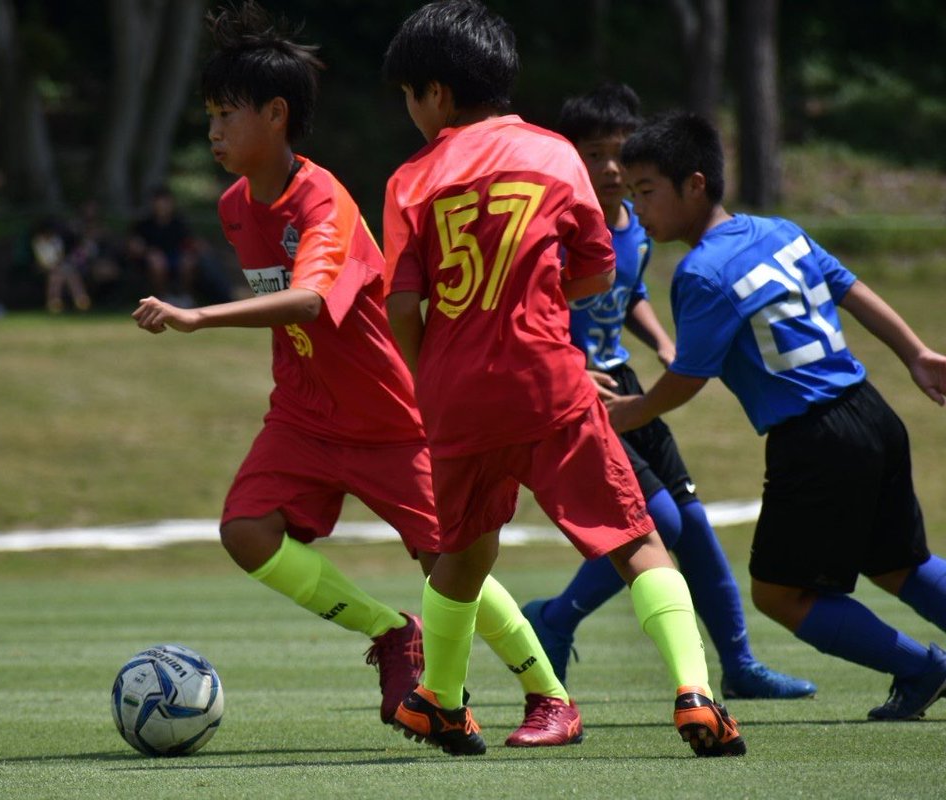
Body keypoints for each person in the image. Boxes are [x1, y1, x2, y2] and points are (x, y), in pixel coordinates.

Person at [132, 0, 581, 750]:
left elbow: (308, 300)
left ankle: (549, 696)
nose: (211, 131)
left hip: (390, 417)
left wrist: (194, 317)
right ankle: (390, 632)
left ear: (276, 115)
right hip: (304, 417)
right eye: (207, 114)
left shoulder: (324, 200)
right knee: (245, 532)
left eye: (225, 114)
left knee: (449, 561)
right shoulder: (236, 204)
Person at [380, 0, 744, 757]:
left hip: (457, 392)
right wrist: (534, 295)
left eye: (410, 96)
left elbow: (405, 304)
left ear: (436, 94)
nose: (411, 112)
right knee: (635, 539)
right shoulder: (553, 155)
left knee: (465, 551)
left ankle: (440, 701)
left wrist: (431, 371)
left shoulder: (411, 179)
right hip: (546, 379)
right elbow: (595, 272)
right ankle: (695, 694)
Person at [608, 109, 946, 722]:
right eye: (632, 194)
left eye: (647, 192)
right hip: (872, 414)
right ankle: (924, 669)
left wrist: (631, 412)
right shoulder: (780, 230)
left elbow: (688, 376)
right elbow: (852, 288)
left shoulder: (701, 273)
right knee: (903, 566)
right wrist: (916, 353)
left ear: (695, 184)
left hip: (814, 440)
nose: (640, 208)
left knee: (779, 594)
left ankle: (923, 668)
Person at [519, 83, 816, 701]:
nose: (608, 168)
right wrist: (570, 364)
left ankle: (739, 665)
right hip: (578, 393)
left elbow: (626, 295)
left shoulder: (636, 226)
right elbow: (529, 309)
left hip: (623, 383)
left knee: (696, 525)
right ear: (568, 155)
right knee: (658, 520)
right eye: (593, 153)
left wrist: (661, 341)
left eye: (619, 154)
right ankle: (554, 618)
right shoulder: (553, 226)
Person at [126, 187, 200, 307]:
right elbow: (134, 246)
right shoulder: (143, 224)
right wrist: (146, 251)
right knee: (157, 261)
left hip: (175, 257)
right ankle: (163, 298)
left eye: (166, 202)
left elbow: (190, 243)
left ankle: (185, 296)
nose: (163, 206)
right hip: (149, 260)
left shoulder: (179, 223)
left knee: (188, 261)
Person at [30, 217, 91, 313]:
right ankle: (79, 297)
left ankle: (55, 302)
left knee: (62, 274)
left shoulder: (56, 239)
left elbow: (60, 256)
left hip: (58, 267)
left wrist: (57, 264)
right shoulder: (38, 241)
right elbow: (41, 260)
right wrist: (52, 265)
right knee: (63, 273)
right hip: (43, 267)